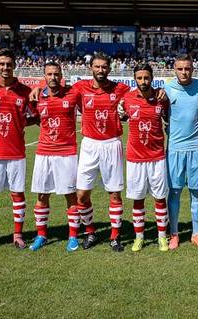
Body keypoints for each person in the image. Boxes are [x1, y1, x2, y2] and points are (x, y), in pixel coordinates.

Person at [73, 53, 130, 252]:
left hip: (111, 144)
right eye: (97, 67)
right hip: (89, 145)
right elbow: (59, 92)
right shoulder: (80, 88)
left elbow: (142, 94)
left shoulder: (121, 89)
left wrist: (159, 93)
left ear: (110, 69)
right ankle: (90, 231)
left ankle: (115, 236)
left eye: (104, 67)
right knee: (81, 194)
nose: (100, 70)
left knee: (114, 193)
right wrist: (39, 88)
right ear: (91, 68)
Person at [0, 48, 32, 250]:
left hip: (17, 152)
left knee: (17, 194)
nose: (5, 67)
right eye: (2, 64)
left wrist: (18, 125)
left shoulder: (25, 91)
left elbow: (34, 116)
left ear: (14, 66)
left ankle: (18, 235)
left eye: (9, 64)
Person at [27, 62, 83, 252]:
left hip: (66, 153)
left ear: (61, 75)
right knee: (42, 195)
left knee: (70, 195)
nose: (53, 77)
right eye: (49, 74)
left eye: (56, 74)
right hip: (44, 152)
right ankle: (41, 235)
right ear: (44, 76)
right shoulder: (37, 98)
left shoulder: (73, 93)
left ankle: (73, 236)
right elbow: (34, 118)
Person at [119, 64, 169, 252]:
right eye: (139, 78)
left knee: (160, 198)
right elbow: (121, 116)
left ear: (152, 78)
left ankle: (162, 237)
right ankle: (139, 237)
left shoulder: (161, 98)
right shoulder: (127, 98)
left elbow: (170, 119)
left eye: (146, 78)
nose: (143, 81)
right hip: (135, 158)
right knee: (138, 199)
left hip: (157, 157)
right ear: (135, 79)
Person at [165, 54, 198, 250]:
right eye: (180, 69)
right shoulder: (166, 89)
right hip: (175, 148)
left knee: (196, 191)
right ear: (175, 69)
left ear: (193, 69)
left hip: (196, 148)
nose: (184, 72)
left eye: (188, 68)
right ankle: (174, 233)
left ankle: (196, 233)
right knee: (174, 191)